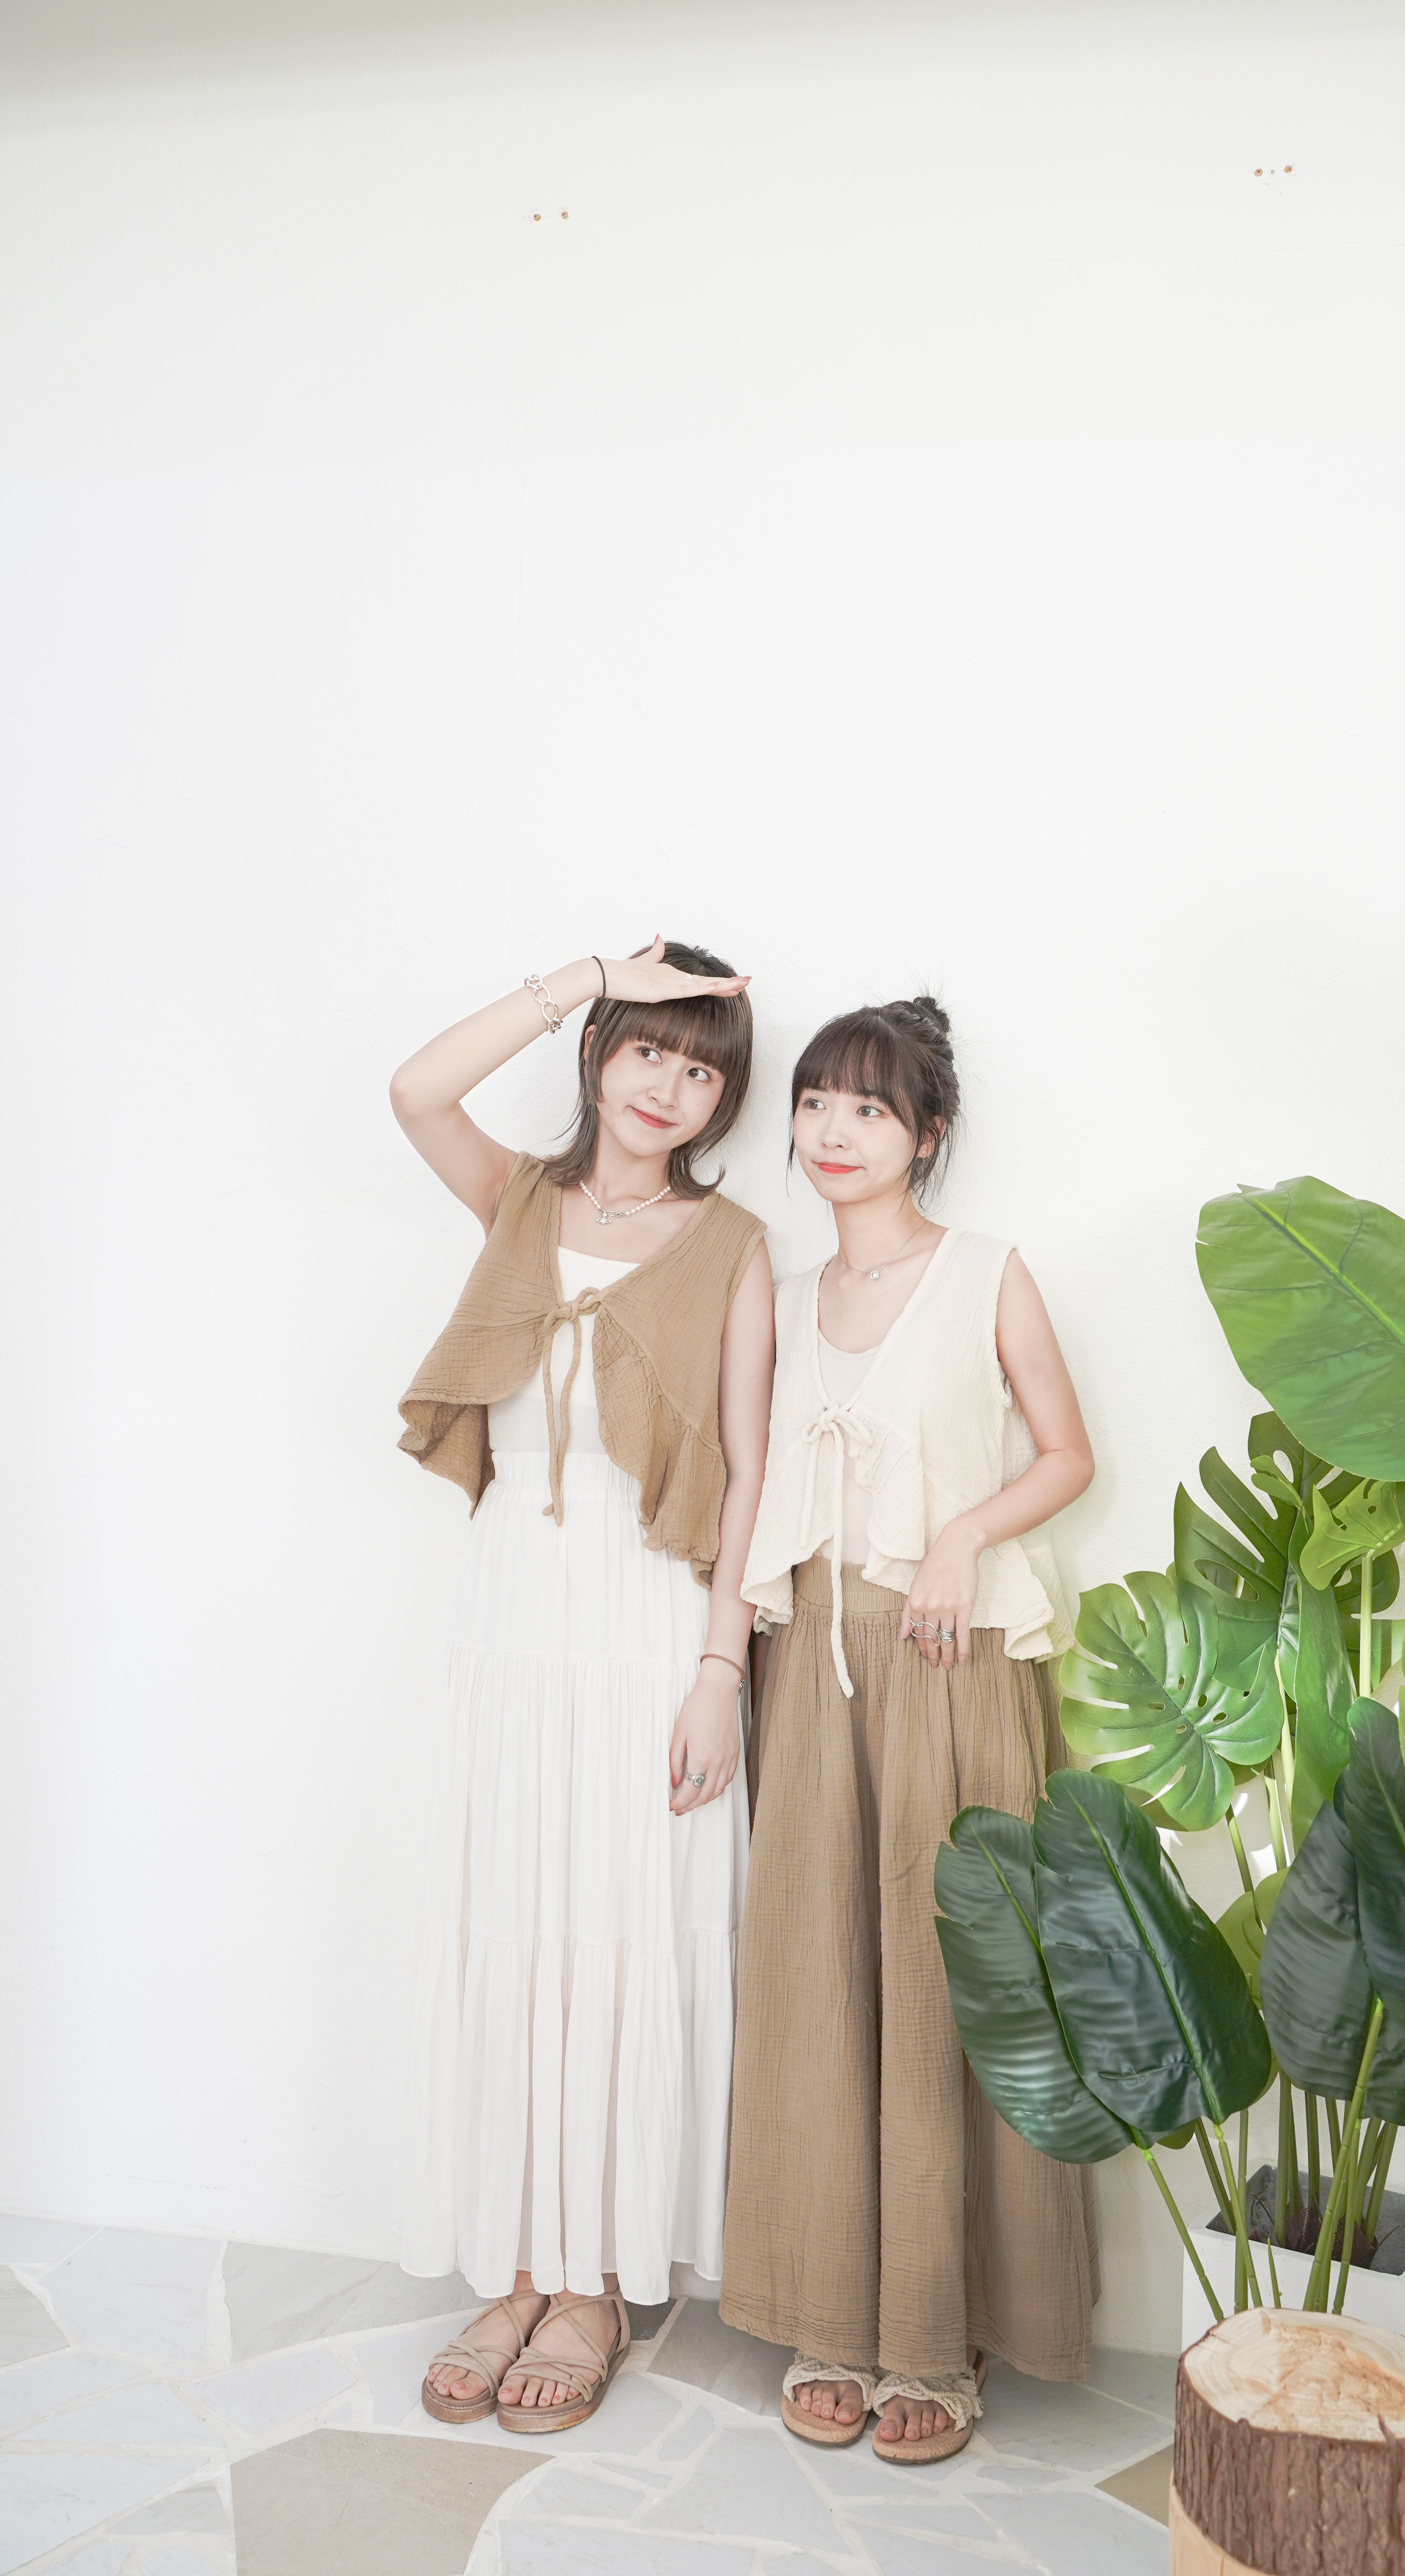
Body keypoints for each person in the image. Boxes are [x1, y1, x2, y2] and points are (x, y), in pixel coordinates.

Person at [390, 939, 774, 2436]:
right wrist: (584, 973)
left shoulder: (732, 1246)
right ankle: (517, 2267)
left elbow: (743, 1470)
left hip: (647, 1615)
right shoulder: (519, 1200)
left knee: (621, 1933)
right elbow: (415, 1090)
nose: (670, 1088)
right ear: (601, 1054)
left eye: (703, 1070)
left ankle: (597, 2285)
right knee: (517, 1927)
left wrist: (721, 1670)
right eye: (649, 1050)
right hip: (509, 1620)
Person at [722, 994, 1099, 2464]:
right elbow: (748, 1480)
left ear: (926, 1135)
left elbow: (1066, 1454)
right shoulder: (778, 1292)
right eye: (817, 1101)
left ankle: (939, 2336)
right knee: (818, 1978)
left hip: (951, 1661)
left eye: (870, 1108)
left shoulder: (988, 1271)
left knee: (952, 1991)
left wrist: (960, 1535)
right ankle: (832, 2311)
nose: (834, 1131)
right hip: (810, 1671)